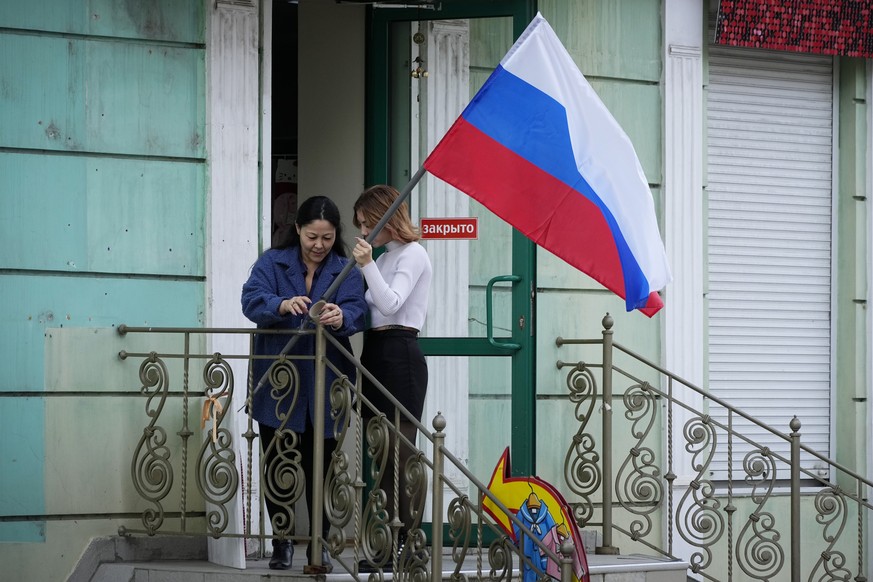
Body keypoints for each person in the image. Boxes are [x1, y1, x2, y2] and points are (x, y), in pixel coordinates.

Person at [241, 195, 367, 572]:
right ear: (297, 229)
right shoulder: (272, 262)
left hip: (327, 383)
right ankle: (281, 543)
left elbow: (360, 311)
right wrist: (280, 305)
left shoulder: (346, 269)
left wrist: (341, 314)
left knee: (323, 466)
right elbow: (250, 300)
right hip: (279, 380)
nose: (318, 245)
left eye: (327, 238)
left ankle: (320, 545)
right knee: (277, 461)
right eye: (312, 236)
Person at [351, 185, 433, 572]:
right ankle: (388, 544)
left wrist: (366, 264)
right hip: (377, 353)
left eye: (369, 223)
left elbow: (391, 304)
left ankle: (410, 544)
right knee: (381, 457)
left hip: (401, 352)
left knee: (401, 455)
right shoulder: (384, 257)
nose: (365, 231)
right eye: (362, 225)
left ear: (388, 217)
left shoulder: (413, 254)